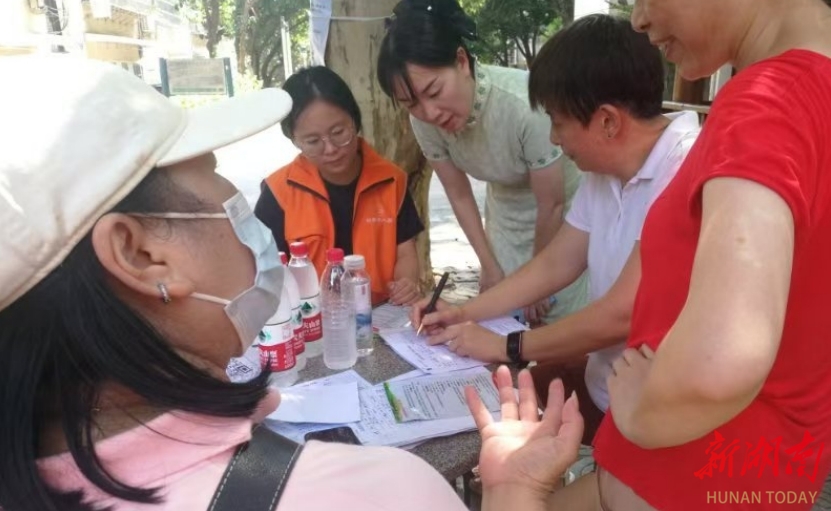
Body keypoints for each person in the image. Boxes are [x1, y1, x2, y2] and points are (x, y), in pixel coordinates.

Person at [0, 54, 584, 511]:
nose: (238, 211)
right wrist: (512, 493)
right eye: (213, 183)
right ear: (140, 253)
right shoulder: (375, 490)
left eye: (341, 131)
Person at [546, 0, 831, 510]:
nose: (638, 19)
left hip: (685, 476)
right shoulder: (813, 89)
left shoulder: (766, 101)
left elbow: (722, 358)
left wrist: (639, 414)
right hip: (769, 473)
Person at [412, 14, 700, 445]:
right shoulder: (607, 169)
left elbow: (623, 312)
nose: (554, 138)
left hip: (659, 418)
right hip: (607, 386)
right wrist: (467, 312)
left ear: (607, 121)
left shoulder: (684, 168)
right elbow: (556, 262)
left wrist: (506, 346)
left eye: (559, 122)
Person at [377, 0, 588, 324]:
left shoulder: (525, 106)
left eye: (434, 91)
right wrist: (489, 266)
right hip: (504, 218)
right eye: (411, 103)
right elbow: (459, 195)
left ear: (461, 61)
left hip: (565, 222)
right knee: (501, 325)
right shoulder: (424, 121)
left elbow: (553, 204)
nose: (429, 112)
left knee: (561, 331)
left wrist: (539, 283)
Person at [255, 66, 424, 306]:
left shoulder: (391, 180)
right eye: (313, 141)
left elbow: (405, 252)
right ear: (294, 139)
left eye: (338, 132)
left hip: (379, 315)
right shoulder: (278, 192)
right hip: (311, 322)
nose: (331, 149)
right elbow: (265, 270)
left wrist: (406, 283)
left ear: (355, 121)